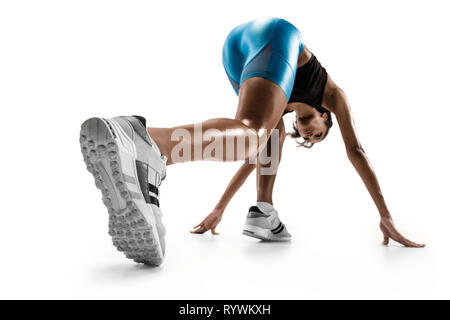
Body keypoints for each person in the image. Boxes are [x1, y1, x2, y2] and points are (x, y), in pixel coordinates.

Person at [80, 17, 424, 266]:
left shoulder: (280, 102)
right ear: (326, 116)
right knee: (256, 135)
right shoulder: (333, 95)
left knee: (257, 141)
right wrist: (386, 215)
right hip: (277, 36)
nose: (310, 134)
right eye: (318, 132)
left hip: (238, 50)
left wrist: (219, 209)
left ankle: (262, 210)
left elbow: (251, 160)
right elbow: (356, 151)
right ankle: (149, 146)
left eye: (312, 138)